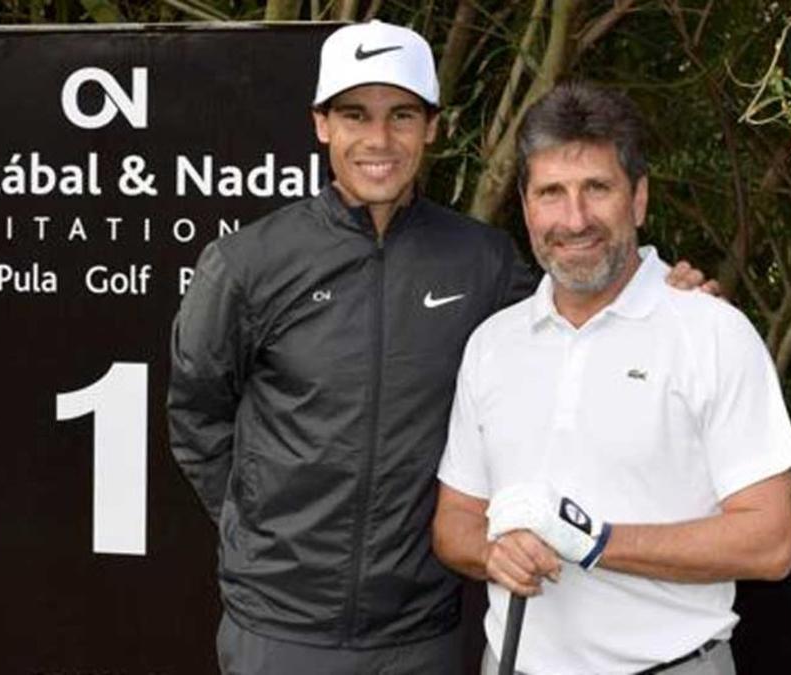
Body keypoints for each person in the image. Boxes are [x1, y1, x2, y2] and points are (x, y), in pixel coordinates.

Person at [168, 21, 713, 674]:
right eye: (355, 115)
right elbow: (197, 414)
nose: (378, 139)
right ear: (321, 125)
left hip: (422, 628)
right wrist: (261, 524)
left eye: (401, 115)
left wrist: (667, 291)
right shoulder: (246, 264)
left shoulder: (480, 259)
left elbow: (579, 325)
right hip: (279, 628)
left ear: (431, 127)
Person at [432, 82, 791, 675]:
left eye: (596, 189)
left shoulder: (712, 333)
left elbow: (770, 542)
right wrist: (490, 551)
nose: (574, 219)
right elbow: (454, 523)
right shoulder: (492, 345)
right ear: (525, 206)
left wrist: (596, 540)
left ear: (638, 199)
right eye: (551, 193)